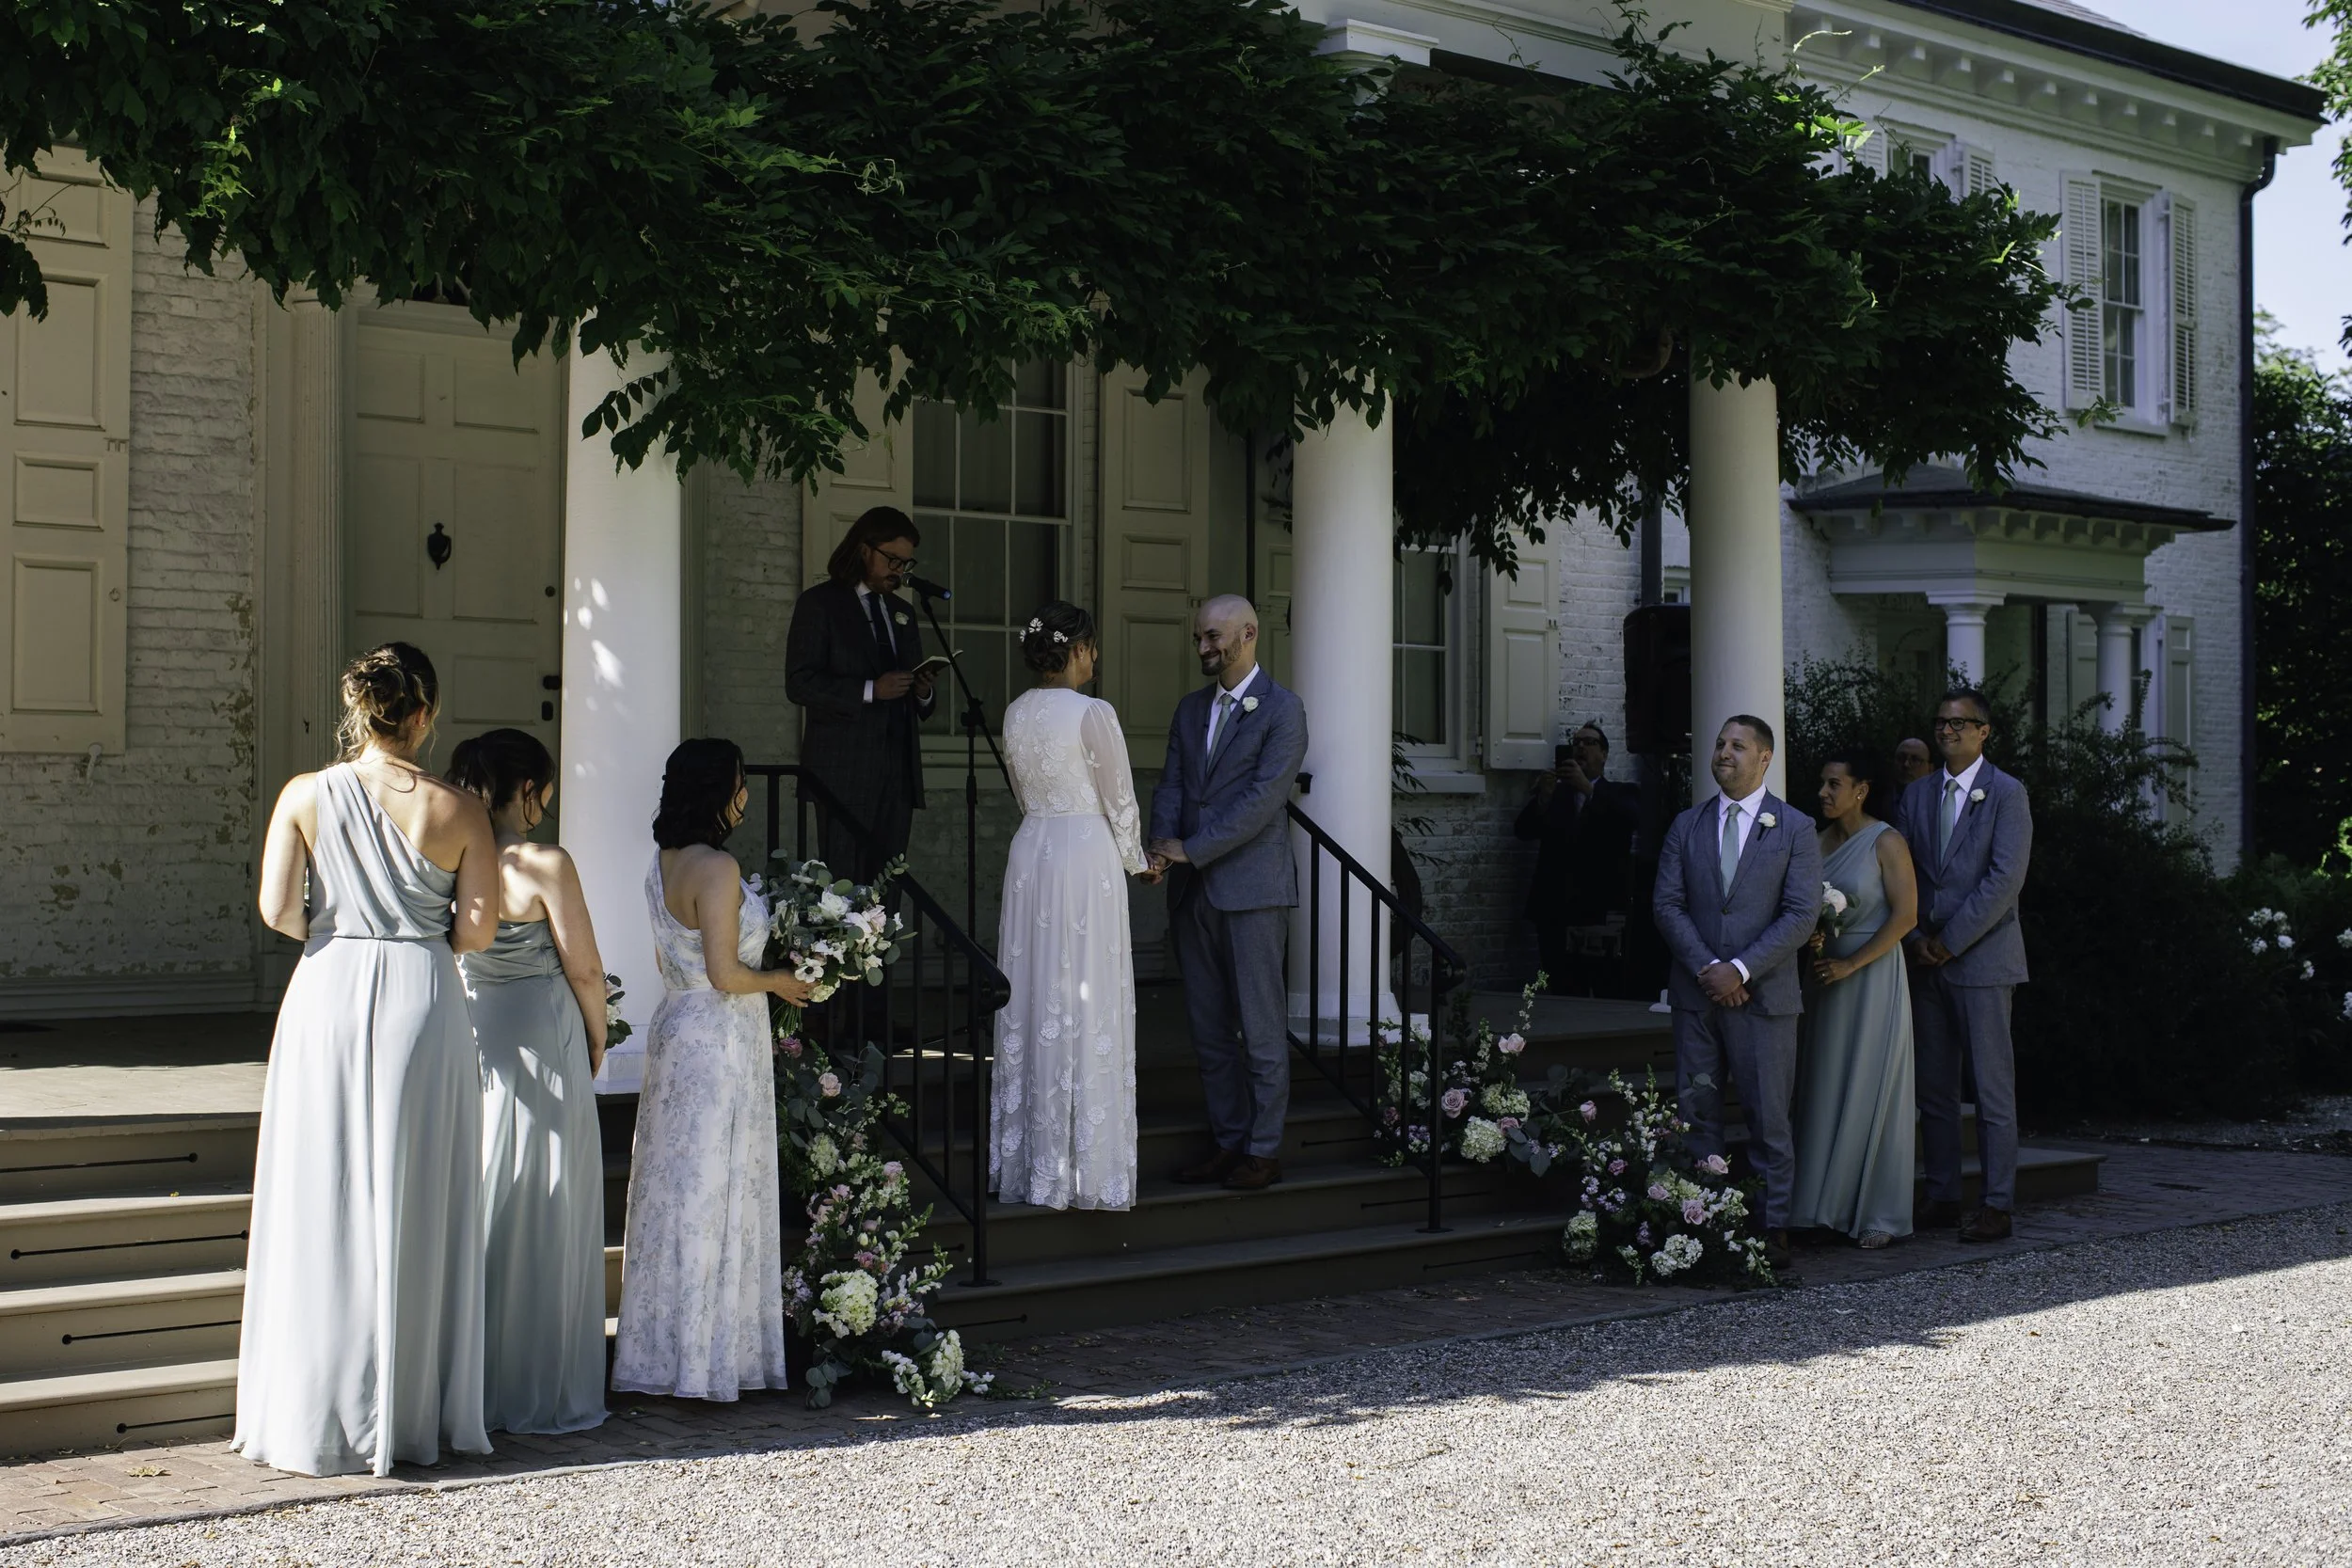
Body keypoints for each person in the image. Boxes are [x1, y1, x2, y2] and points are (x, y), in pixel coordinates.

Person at [237, 642, 497, 1477]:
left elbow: (280, 910)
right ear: (424, 713)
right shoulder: (459, 808)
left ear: (361, 708)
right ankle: (411, 1409)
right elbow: (478, 932)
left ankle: (314, 1409)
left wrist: (342, 920)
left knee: (322, 1191)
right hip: (423, 991)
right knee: (418, 1191)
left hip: (329, 989)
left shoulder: (306, 794)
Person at [612, 739, 815, 1401]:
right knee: (717, 1189)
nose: (747, 795)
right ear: (719, 792)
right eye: (741, 782)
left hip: (676, 1028)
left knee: (676, 1192)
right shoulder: (718, 867)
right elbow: (727, 974)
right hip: (722, 1036)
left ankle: (663, 1352)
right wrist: (782, 980)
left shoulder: (661, 862)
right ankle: (708, 1361)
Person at [445, 728, 610, 1436]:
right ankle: (543, 1386)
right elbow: (587, 971)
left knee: (486, 1193)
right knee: (552, 1198)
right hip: (546, 1035)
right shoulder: (545, 860)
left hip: (477, 1035)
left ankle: (474, 1383)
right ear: (527, 790)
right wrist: (597, 1040)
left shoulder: (450, 859)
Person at [990, 603, 1152, 1211]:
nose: (1096, 658)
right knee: (1088, 990)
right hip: (1085, 854)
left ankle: (1034, 1158)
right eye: (1092, 646)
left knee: (1036, 991)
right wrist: (1139, 861)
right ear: (1077, 649)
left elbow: (1020, 788)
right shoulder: (1093, 713)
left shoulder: (1016, 711)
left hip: (1033, 849)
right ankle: (1086, 1164)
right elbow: (1121, 800)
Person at [1148, 595, 1310, 1193]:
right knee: (1208, 1029)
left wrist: (1195, 847)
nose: (1203, 648)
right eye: (1198, 638)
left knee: (1262, 1029)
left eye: (1213, 637)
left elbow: (1262, 802)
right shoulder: (1190, 710)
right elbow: (1172, 783)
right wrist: (1162, 846)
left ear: (1248, 634)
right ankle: (1227, 1140)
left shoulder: (1283, 711)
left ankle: (1264, 1149)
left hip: (1253, 890)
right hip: (1192, 892)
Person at [1651, 715, 1822, 1270]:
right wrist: (1710, 969)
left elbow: (1801, 914)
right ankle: (1704, 1224)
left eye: (1737, 745)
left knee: (1768, 1118)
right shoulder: (1687, 825)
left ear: (1765, 758)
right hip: (1697, 996)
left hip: (1765, 999)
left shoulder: (1794, 827)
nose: (1723, 752)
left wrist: (1742, 970)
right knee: (1697, 1111)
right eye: (1720, 743)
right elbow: (1667, 905)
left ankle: (1773, 1229)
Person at [1896, 687, 2032, 1243]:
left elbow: (2005, 880)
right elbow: (1900, 871)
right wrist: (1913, 936)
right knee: (1934, 1088)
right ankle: (1944, 1191)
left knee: (1992, 1088)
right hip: (1926, 958)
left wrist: (1951, 939)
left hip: (1983, 958)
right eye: (1941, 722)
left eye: (1959, 724)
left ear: (1984, 732)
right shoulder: (1917, 795)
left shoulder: (2007, 794)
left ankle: (1997, 1202)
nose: (1948, 731)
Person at [1788, 749, 1919, 1249]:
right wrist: (1816, 940)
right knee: (1820, 1083)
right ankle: (1815, 1207)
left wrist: (1852, 962)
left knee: (1871, 1081)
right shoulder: (1816, 843)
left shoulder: (1886, 841)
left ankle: (1876, 1213)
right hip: (1822, 980)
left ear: (1860, 789)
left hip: (1872, 977)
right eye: (1822, 783)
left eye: (1833, 784)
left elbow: (1905, 917)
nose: (1823, 793)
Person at [784, 507, 937, 880]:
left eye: (905, 562)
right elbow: (799, 682)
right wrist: (871, 689)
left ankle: (886, 942)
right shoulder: (820, 603)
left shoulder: (902, 611)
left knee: (890, 883)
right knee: (844, 884)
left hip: (897, 771)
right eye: (892, 559)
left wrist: (923, 691)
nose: (899, 570)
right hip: (843, 771)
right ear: (864, 549)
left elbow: (921, 697)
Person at [1513, 721, 1641, 994]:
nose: (1581, 746)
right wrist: (1543, 799)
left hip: (1599, 910)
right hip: (1555, 907)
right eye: (1576, 742)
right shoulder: (1556, 795)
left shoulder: (1621, 792)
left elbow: (1630, 819)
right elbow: (1522, 831)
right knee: (1559, 983)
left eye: (1590, 742)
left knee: (1603, 984)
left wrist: (1589, 789)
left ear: (1604, 754)